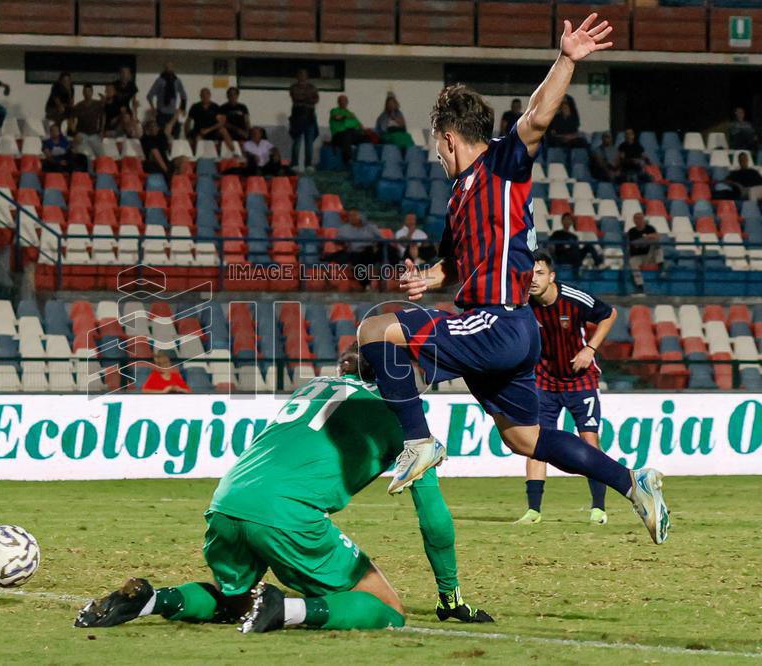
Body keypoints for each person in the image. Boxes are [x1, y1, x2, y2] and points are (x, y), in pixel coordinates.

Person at [355, 13, 669, 546]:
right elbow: (451, 266)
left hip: (497, 323)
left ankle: (417, 441)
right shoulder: (458, 201)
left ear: (449, 139)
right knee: (524, 439)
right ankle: (631, 482)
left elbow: (537, 116)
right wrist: (424, 280)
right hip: (510, 328)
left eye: (436, 143)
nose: (435, 155)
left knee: (373, 329)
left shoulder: (503, 163)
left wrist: (567, 59)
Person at [75, 345, 492, 632]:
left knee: (235, 599)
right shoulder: (408, 424)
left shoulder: (313, 387)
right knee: (387, 608)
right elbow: (434, 523)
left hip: (228, 500)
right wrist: (449, 596)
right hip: (285, 514)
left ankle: (150, 600)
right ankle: (286, 609)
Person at [517, 252, 617, 526]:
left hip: (580, 380)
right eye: (530, 273)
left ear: (552, 277)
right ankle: (533, 511)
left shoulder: (574, 299)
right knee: (535, 444)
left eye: (539, 273)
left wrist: (590, 348)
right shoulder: (522, 303)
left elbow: (609, 314)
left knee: (589, 442)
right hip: (544, 381)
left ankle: (598, 509)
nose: (533, 279)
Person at [324, 210, 383, 289]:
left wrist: (376, 246)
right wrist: (344, 244)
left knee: (388, 251)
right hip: (354, 251)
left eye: (355, 215)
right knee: (355, 260)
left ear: (361, 216)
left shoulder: (371, 227)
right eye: (350, 216)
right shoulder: (344, 229)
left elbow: (380, 239)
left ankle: (392, 278)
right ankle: (366, 284)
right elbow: (338, 241)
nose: (352, 218)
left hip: (370, 251)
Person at [288, 69, 319, 173]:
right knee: (297, 142)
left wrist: (305, 98)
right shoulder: (293, 87)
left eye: (304, 75)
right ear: (297, 76)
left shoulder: (312, 87)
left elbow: (316, 99)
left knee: (309, 143)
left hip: (310, 117)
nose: (302, 77)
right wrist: (308, 98)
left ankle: (308, 165)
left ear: (307, 76)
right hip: (297, 118)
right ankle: (295, 164)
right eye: (300, 75)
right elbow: (296, 97)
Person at [185, 88, 234, 153]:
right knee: (197, 138)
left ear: (210, 95)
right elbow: (188, 122)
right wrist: (187, 135)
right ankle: (197, 156)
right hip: (199, 131)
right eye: (203, 95)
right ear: (200, 96)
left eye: (206, 94)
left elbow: (221, 123)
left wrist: (208, 130)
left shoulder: (215, 107)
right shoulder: (195, 107)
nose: (205, 97)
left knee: (223, 130)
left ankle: (234, 152)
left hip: (212, 131)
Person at [146, 63, 187, 139]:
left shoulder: (177, 81)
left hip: (172, 114)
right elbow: (149, 95)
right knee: (162, 135)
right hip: (161, 113)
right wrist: (152, 108)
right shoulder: (159, 81)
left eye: (171, 67)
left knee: (176, 133)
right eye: (167, 67)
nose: (169, 69)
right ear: (164, 69)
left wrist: (183, 108)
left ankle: (174, 149)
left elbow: (183, 96)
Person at [627, 212, 662, 295]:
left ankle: (661, 266)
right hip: (637, 256)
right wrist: (647, 238)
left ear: (643, 219)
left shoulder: (650, 228)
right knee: (633, 263)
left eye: (640, 218)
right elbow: (634, 244)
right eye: (636, 218)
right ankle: (640, 286)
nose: (639, 220)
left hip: (649, 255)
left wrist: (644, 239)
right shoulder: (632, 231)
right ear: (634, 220)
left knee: (657, 245)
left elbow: (656, 237)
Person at [329, 95, 369, 166]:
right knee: (347, 134)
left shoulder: (351, 113)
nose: (343, 102)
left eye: (345, 101)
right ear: (338, 102)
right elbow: (337, 118)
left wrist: (364, 130)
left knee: (365, 138)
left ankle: (364, 160)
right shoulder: (334, 110)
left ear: (347, 102)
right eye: (341, 100)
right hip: (338, 136)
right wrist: (346, 116)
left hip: (351, 134)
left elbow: (360, 125)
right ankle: (348, 160)